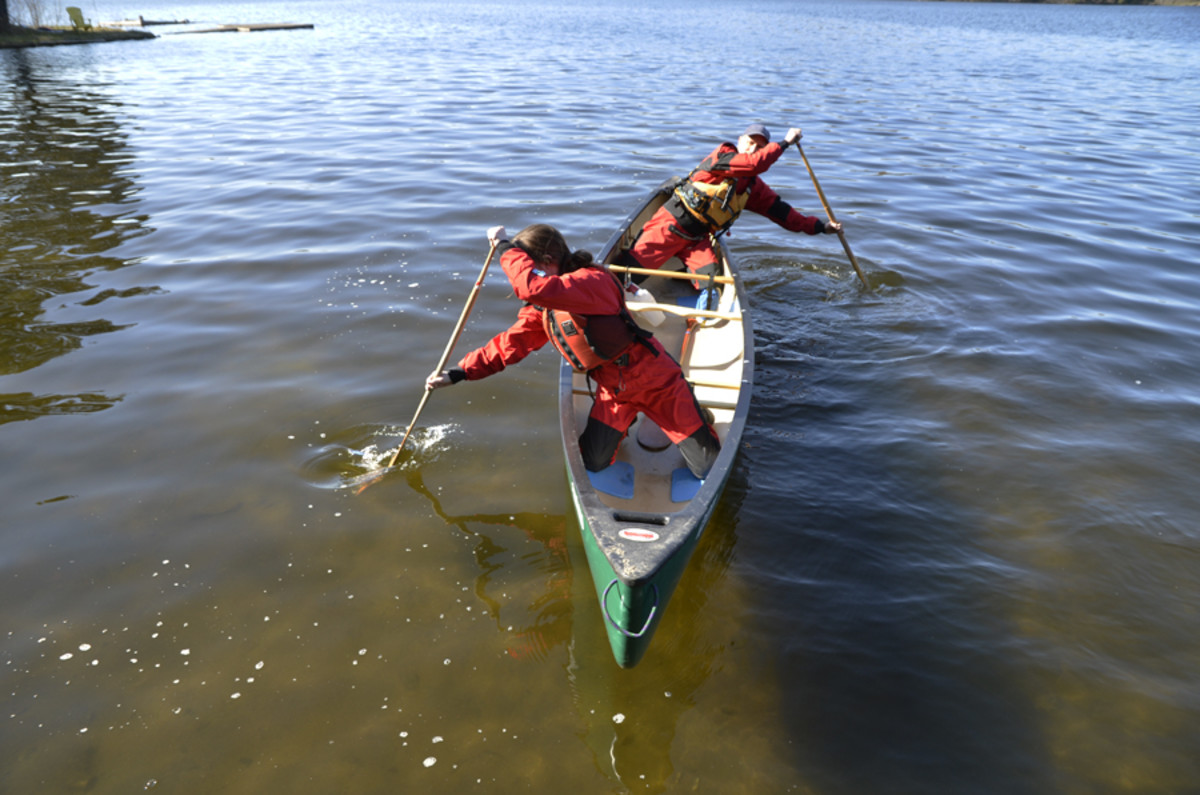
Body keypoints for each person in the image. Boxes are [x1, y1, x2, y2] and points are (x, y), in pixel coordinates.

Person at [426, 224, 720, 479]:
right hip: (613, 390)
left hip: (657, 382)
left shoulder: (591, 282)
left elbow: (531, 288)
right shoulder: (548, 306)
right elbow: (509, 345)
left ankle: (695, 411)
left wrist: (504, 247)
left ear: (550, 260)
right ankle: (637, 417)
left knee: (708, 467)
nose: (533, 276)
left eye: (535, 269)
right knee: (592, 462)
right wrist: (459, 373)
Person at [615, 123, 843, 285]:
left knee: (713, 285)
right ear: (741, 142)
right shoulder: (723, 156)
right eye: (751, 143)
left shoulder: (753, 187)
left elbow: (784, 215)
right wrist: (784, 143)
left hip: (698, 240)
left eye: (760, 147)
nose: (753, 149)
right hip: (671, 226)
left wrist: (821, 228)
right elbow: (754, 164)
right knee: (624, 275)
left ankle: (680, 287)